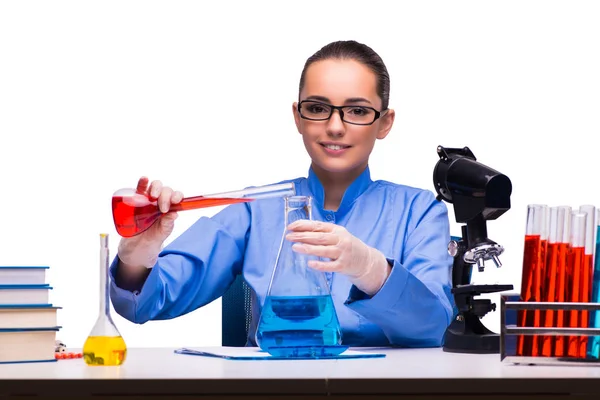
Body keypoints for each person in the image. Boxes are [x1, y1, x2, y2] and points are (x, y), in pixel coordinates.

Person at [110, 40, 455, 348]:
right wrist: (138, 254)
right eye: (318, 108)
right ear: (298, 116)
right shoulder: (255, 210)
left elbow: (433, 329)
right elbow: (145, 304)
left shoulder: (419, 211)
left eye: (357, 111)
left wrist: (370, 268)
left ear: (385, 122)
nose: (335, 126)